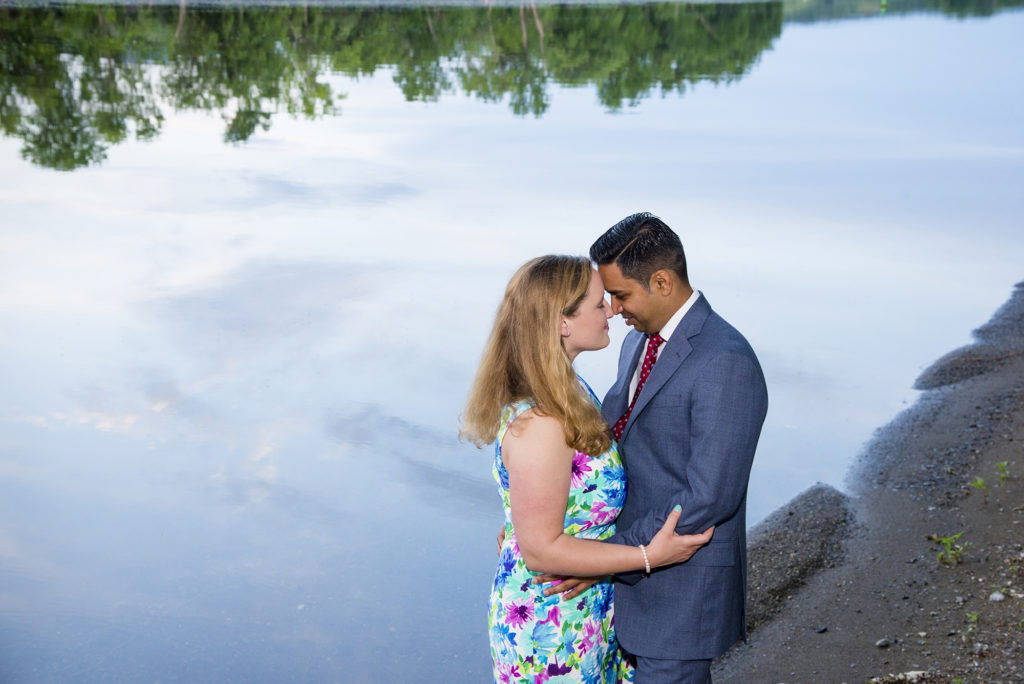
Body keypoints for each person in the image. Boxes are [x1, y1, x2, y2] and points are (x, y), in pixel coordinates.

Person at [461, 255, 714, 683]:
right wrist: (649, 556)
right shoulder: (541, 421)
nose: (612, 309)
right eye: (600, 304)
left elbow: (548, 512)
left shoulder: (568, 391)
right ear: (562, 322)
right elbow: (540, 550)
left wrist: (523, 525)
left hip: (582, 611)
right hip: (548, 627)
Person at [542, 212, 768, 683]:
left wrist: (606, 556)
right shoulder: (637, 344)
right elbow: (612, 439)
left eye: (621, 296)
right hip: (629, 583)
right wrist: (537, 518)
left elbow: (708, 495)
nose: (615, 310)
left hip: (680, 592)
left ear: (662, 281)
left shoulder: (725, 360)